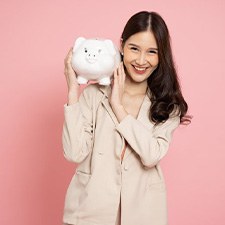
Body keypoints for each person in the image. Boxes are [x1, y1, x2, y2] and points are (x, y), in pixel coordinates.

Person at [62, 11, 190, 225]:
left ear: (161, 55)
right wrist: (73, 91)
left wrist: (118, 108)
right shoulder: (94, 95)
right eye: (134, 49)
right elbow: (74, 152)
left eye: (152, 52)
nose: (141, 60)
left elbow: (151, 156)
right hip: (89, 212)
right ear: (121, 45)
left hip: (144, 215)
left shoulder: (168, 105)